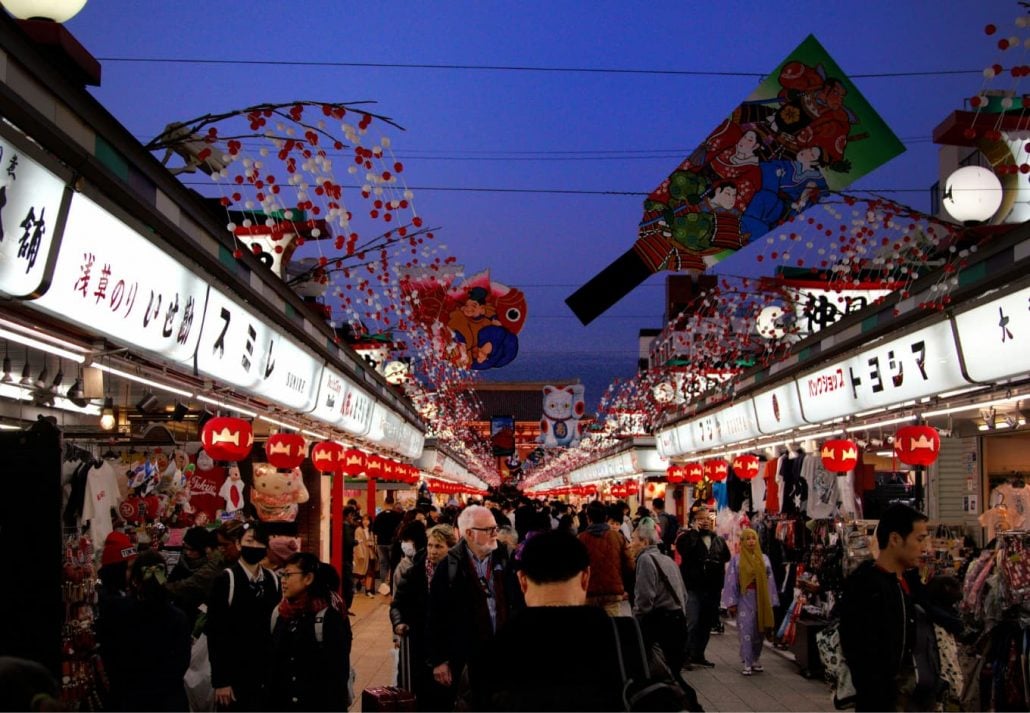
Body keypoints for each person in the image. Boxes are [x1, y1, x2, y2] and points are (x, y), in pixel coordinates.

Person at [839, 504, 932, 712]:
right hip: (880, 701)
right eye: (919, 539)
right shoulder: (866, 588)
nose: (924, 547)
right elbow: (860, 653)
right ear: (895, 539)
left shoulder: (907, 582)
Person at [426, 505, 520, 709]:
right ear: (469, 533)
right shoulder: (449, 566)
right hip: (465, 655)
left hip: (503, 652)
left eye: (495, 527)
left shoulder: (505, 558)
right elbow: (436, 615)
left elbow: (519, 600)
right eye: (488, 530)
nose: (495, 533)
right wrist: (439, 660)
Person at [98, 550, 191, 711]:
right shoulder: (178, 618)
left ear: (135, 580)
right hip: (169, 701)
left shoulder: (119, 612)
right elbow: (180, 665)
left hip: (131, 699)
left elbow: (111, 657)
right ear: (164, 577)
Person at [206, 521, 281, 711]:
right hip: (234, 675)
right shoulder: (226, 580)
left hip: (265, 673)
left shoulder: (272, 580)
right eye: (250, 541)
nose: (254, 546)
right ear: (239, 544)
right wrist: (221, 680)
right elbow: (216, 633)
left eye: (260, 543)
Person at [268, 552, 352, 711]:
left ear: (308, 578)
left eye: (288, 575)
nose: (283, 581)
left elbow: (337, 677)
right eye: (282, 575)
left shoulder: (326, 619)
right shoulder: (280, 614)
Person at [391, 524, 458, 711]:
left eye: (439, 546)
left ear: (450, 548)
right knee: (419, 698)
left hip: (446, 648)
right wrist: (398, 623)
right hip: (417, 646)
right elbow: (397, 604)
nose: (433, 551)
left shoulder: (457, 574)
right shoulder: (414, 572)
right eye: (430, 546)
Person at [631, 517, 693, 699]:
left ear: (644, 542)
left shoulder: (645, 560)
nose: (630, 544)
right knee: (673, 671)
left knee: (661, 674)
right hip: (678, 621)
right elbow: (684, 594)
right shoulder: (667, 560)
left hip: (660, 624)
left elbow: (645, 600)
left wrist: (637, 621)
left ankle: (688, 703)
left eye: (633, 540)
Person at [676, 505, 729, 668]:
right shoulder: (685, 538)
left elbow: (726, 556)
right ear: (693, 521)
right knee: (691, 621)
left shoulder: (717, 539)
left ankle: (698, 653)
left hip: (711, 588)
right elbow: (684, 551)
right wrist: (694, 533)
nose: (705, 522)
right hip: (693, 586)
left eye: (708, 518)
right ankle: (684, 656)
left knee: (706, 622)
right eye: (701, 519)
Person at [722, 527, 779, 676]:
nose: (751, 541)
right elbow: (732, 581)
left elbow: (770, 581)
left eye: (753, 538)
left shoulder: (764, 559)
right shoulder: (737, 559)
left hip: (762, 598)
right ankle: (747, 661)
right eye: (747, 538)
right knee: (746, 630)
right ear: (742, 542)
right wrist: (731, 602)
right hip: (745, 598)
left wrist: (771, 601)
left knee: (759, 630)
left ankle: (755, 658)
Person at [578, 500, 633, 615]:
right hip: (612, 592)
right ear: (605, 517)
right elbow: (629, 565)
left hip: (588, 591)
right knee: (612, 627)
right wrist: (625, 586)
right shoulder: (618, 537)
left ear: (588, 518)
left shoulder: (581, 539)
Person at [165, 525, 225, 631]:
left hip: (196, 615)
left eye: (192, 549)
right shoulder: (183, 561)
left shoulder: (210, 567)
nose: (188, 553)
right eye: (186, 548)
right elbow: (172, 580)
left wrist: (162, 588)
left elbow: (190, 584)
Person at [372, 501, 404, 593]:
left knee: (383, 564)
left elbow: (374, 531)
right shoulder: (397, 517)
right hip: (392, 544)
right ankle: (392, 584)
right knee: (393, 564)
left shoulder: (379, 516)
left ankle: (383, 585)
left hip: (380, 543)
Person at [354, 514, 376, 598]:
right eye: (364, 520)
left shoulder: (370, 531)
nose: (365, 522)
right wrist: (360, 554)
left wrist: (372, 544)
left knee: (369, 573)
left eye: (367, 520)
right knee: (359, 573)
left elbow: (372, 541)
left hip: (370, 554)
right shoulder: (358, 530)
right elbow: (357, 542)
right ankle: (356, 586)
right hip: (362, 554)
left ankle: (368, 590)